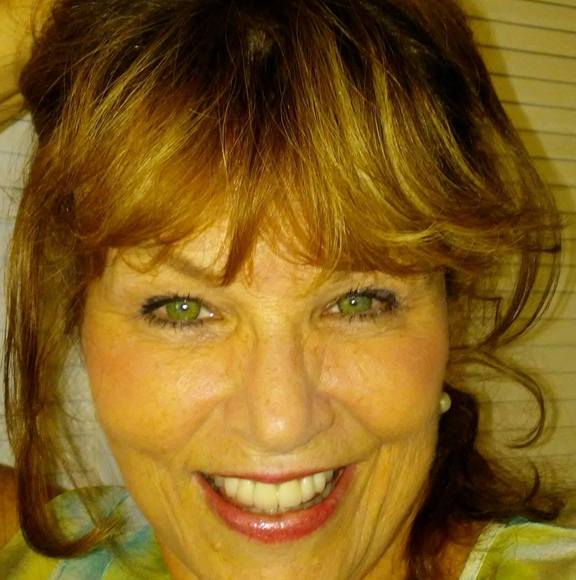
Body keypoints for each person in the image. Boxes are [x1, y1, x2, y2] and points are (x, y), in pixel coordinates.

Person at [0, 0, 575, 577]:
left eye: (357, 302)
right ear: (79, 317)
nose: (280, 423)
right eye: (183, 309)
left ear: (448, 316)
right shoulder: (61, 551)